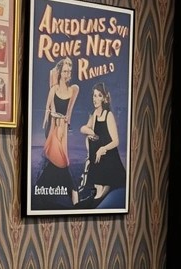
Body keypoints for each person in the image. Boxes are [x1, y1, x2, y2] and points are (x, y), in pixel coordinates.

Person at [79, 82, 126, 204]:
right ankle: (96, 193)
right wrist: (91, 132)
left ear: (104, 98)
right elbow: (83, 128)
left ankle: (101, 193)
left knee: (99, 196)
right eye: (94, 95)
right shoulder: (94, 114)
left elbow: (116, 141)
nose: (95, 99)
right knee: (89, 138)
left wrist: (103, 149)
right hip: (97, 156)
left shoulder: (108, 115)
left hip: (109, 156)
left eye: (99, 95)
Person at [42, 58, 79, 205]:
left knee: (62, 159)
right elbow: (49, 109)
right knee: (59, 158)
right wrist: (52, 118)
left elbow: (69, 112)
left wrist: (66, 125)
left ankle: (70, 189)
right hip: (52, 127)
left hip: (63, 128)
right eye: (64, 70)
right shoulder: (54, 89)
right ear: (59, 72)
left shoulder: (72, 90)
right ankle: (73, 191)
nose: (67, 73)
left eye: (69, 71)